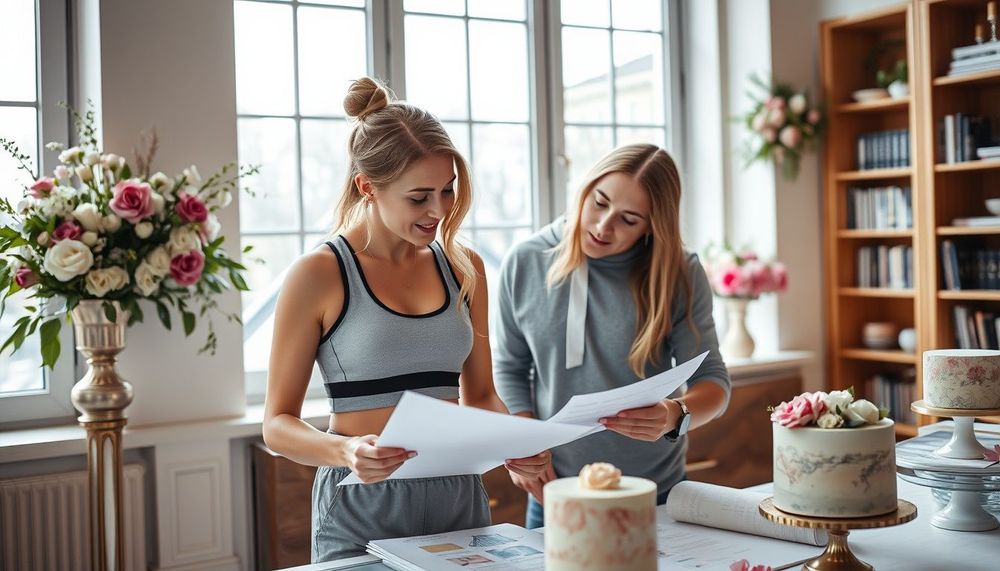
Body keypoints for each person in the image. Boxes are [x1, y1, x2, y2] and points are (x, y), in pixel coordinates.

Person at [262, 77, 550, 561]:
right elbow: (276, 424)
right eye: (419, 197)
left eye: (447, 191)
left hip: (458, 493)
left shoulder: (465, 267)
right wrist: (346, 453)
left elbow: (479, 395)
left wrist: (515, 443)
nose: (438, 210)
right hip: (361, 497)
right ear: (367, 187)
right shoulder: (318, 274)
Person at [493, 143, 731, 529]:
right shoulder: (525, 260)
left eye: (629, 219)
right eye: (599, 202)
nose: (604, 226)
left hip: (656, 496)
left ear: (652, 225)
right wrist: (523, 443)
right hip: (555, 491)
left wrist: (676, 414)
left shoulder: (679, 273)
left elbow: (714, 383)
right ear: (584, 190)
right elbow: (510, 368)